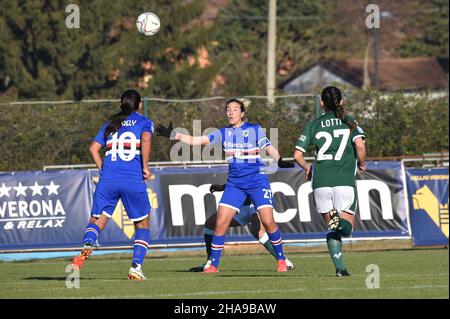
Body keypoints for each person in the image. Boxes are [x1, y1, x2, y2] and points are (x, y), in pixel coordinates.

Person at [157, 98, 294, 272]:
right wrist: (175, 134)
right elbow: (196, 140)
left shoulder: (254, 129)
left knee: (268, 222)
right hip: (235, 184)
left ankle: (281, 260)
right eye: (228, 109)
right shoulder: (222, 133)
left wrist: (279, 159)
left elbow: (268, 147)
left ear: (242, 113)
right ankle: (213, 264)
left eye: (235, 109)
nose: (230, 113)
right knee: (220, 222)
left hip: (257, 181)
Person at [71, 89, 154, 281]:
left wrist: (102, 168)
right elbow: (147, 139)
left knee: (97, 220)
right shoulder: (144, 122)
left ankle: (88, 243)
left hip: (108, 180)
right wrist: (145, 167)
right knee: (142, 223)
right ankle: (135, 267)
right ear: (139, 104)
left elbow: (93, 149)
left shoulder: (111, 123)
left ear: (121, 104)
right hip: (131, 179)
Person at [293, 86, 366, 277]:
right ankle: (339, 225)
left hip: (320, 182)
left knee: (332, 228)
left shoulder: (314, 124)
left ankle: (340, 268)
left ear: (322, 103)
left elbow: (297, 155)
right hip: (344, 180)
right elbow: (360, 145)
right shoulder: (349, 121)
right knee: (346, 229)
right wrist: (362, 163)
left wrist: (308, 168)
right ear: (341, 102)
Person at [188, 183, 295, 272]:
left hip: (256, 200)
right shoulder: (236, 162)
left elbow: (247, 179)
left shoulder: (250, 161)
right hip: (242, 205)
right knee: (210, 224)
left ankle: (284, 261)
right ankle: (210, 262)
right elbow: (237, 180)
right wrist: (222, 187)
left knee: (258, 232)